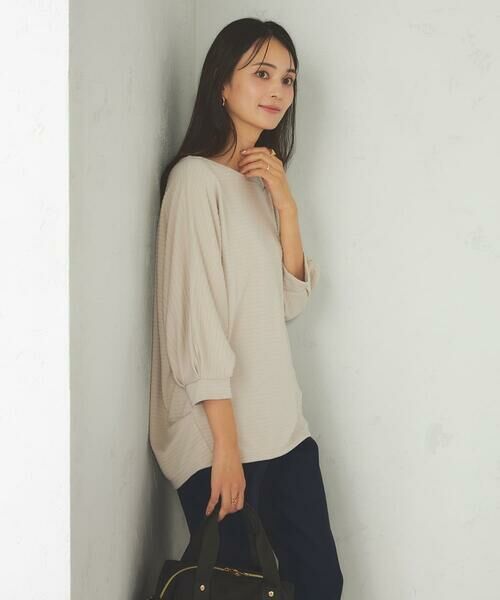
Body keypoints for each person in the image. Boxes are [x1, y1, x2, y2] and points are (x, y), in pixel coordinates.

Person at [148, 18, 343, 599]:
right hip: (220, 435)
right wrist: (225, 449)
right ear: (222, 85)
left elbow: (288, 301)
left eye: (288, 78)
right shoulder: (194, 181)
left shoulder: (261, 185)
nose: (278, 90)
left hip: (282, 426)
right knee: (233, 587)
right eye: (261, 73)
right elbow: (197, 323)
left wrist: (287, 207)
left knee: (320, 584)